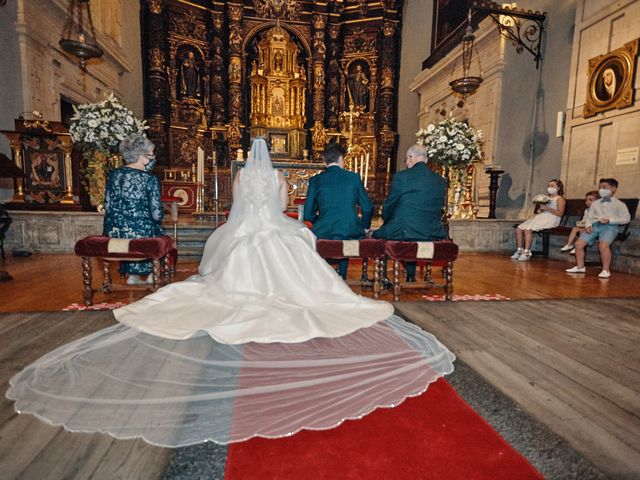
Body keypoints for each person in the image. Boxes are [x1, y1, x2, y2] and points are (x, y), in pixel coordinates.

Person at [7, 137, 454, 447]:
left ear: (247, 162)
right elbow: (282, 210)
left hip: (246, 230)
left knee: (231, 249)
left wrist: (251, 216)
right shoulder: (280, 179)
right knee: (297, 240)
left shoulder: (241, 177)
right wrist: (275, 213)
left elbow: (240, 210)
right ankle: (308, 291)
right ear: (272, 164)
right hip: (275, 229)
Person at [373, 144, 446, 282]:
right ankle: (410, 276)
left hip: (406, 231)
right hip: (432, 232)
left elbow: (390, 204)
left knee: (377, 235)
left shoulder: (402, 177)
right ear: (425, 159)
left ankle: (383, 278)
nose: (406, 163)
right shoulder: (440, 180)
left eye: (407, 160)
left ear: (411, 158)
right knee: (410, 227)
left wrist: (386, 220)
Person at [304, 143, 373, 279]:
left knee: (325, 235)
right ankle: (342, 274)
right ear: (341, 160)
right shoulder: (353, 178)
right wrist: (364, 226)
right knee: (344, 233)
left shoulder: (316, 180)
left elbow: (308, 213)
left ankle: (325, 276)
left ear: (324, 162)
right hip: (350, 229)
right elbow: (368, 207)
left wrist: (320, 221)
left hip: (324, 230)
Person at [103, 134, 163, 285]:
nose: (153, 158)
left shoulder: (113, 175)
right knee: (153, 228)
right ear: (142, 157)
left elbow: (108, 207)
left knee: (127, 227)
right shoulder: (150, 179)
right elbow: (157, 215)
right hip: (140, 235)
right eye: (151, 154)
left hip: (114, 233)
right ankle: (151, 272)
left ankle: (132, 274)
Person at [566, 178, 630, 278]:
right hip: (595, 226)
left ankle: (605, 270)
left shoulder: (619, 204)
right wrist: (588, 225)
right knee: (578, 244)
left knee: (603, 245)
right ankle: (580, 267)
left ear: (614, 189)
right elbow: (590, 217)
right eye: (600, 187)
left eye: (604, 187)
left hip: (610, 227)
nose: (601, 190)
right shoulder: (595, 203)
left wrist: (610, 220)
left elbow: (626, 219)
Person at [511, 179, 566, 261]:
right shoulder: (546, 198)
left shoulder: (559, 199)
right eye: (548, 186)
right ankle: (519, 250)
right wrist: (540, 210)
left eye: (552, 186)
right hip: (542, 217)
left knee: (528, 229)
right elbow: (543, 210)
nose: (549, 188)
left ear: (558, 188)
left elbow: (560, 213)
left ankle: (527, 253)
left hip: (552, 218)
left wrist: (547, 208)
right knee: (519, 229)